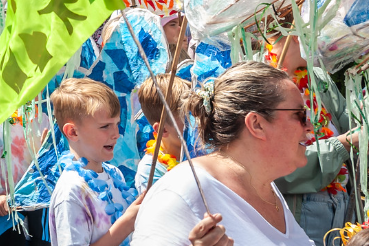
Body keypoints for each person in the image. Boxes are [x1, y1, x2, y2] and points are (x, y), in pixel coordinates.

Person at [133, 61, 315, 246]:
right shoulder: (181, 191)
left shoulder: (263, 186)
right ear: (256, 124)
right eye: (299, 115)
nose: (309, 126)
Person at [270, 36, 359, 245]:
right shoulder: (264, 83)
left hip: (342, 204)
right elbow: (280, 170)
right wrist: (343, 143)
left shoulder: (318, 77)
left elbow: (351, 124)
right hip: (299, 210)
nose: (327, 40)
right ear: (296, 34)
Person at [47, 78, 143, 246]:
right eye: (105, 126)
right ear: (73, 132)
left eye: (117, 124)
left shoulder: (114, 173)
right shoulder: (71, 191)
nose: (115, 134)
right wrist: (125, 224)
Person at [134, 74, 191, 193]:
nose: (197, 122)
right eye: (188, 118)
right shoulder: (150, 171)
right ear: (163, 130)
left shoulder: (201, 148)